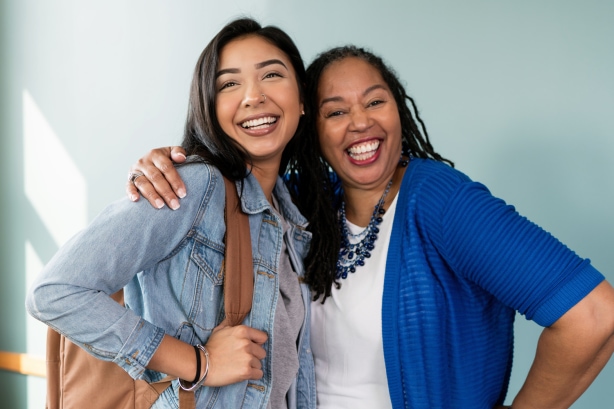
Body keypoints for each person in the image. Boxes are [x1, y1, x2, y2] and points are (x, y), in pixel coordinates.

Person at [126, 46, 614, 408]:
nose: (360, 123)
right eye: (335, 111)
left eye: (375, 102)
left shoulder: (439, 202)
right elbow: (226, 187)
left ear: (398, 111)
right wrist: (166, 164)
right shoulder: (300, 201)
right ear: (311, 129)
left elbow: (593, 316)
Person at [25, 17, 344, 409]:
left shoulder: (291, 215)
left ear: (302, 103)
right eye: (229, 83)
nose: (253, 96)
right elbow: (54, 292)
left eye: (272, 75)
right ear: (209, 107)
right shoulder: (196, 187)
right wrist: (201, 362)